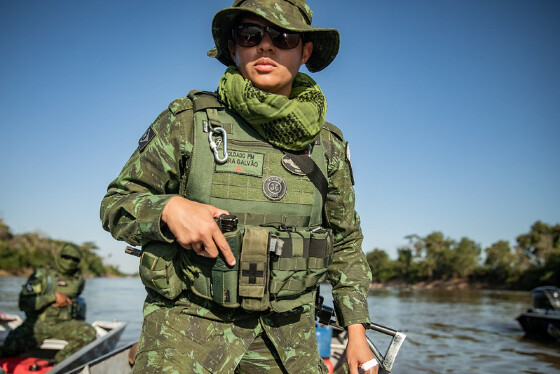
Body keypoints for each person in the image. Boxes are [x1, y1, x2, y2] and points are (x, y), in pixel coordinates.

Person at [100, 0, 377, 373]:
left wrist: (356, 332)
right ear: (234, 48)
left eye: (283, 36)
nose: (266, 46)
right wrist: (169, 209)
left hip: (289, 340)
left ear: (305, 50)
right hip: (187, 331)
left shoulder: (328, 145)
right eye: (251, 35)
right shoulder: (187, 122)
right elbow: (117, 203)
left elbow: (345, 242)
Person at [0, 244, 96, 364]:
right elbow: (24, 303)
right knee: (9, 347)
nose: (70, 261)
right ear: (60, 256)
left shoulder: (78, 279)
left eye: (74, 259)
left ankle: (58, 363)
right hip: (37, 325)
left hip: (63, 324)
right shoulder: (42, 275)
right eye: (66, 257)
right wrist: (53, 297)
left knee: (89, 332)